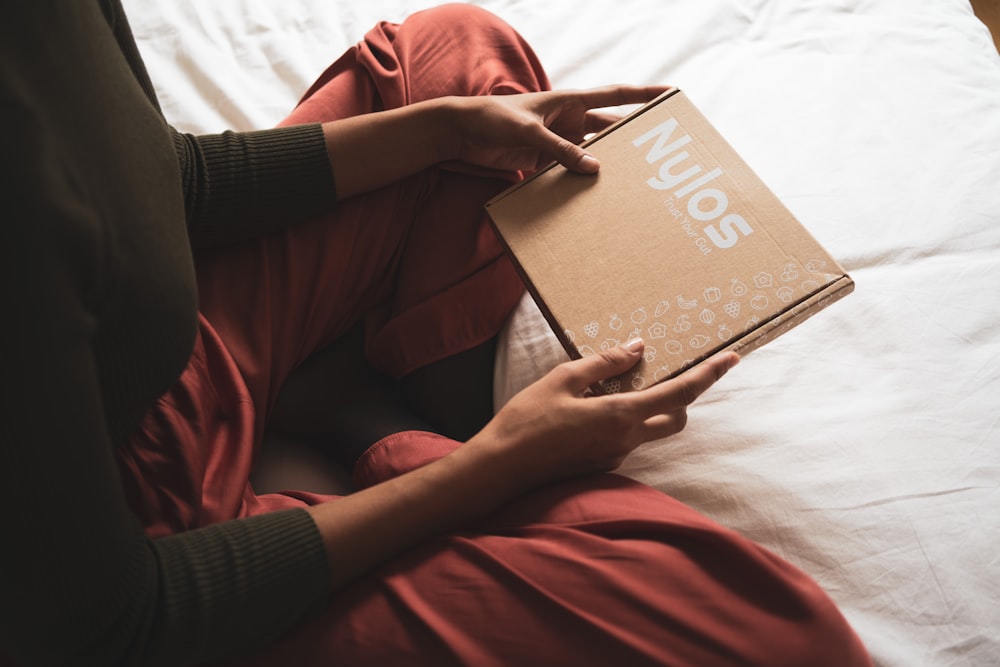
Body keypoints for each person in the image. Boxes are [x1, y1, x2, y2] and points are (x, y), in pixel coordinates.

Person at [0, 1, 872, 665]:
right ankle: (372, 428)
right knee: (780, 638)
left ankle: (361, 397)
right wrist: (496, 462)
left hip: (140, 348)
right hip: (159, 559)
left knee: (459, 52)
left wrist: (444, 128)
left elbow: (167, 182)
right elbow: (116, 624)